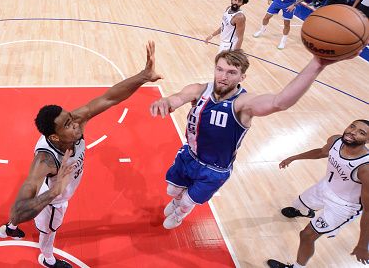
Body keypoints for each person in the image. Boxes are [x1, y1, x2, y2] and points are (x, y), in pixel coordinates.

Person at [149, 49, 359, 230]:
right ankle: (178, 201)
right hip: (189, 155)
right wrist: (166, 101)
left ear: (242, 77)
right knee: (172, 190)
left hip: (214, 169)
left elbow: (280, 102)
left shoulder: (243, 103)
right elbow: (177, 98)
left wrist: (317, 64)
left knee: (187, 201)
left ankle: (181, 212)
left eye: (232, 73)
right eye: (220, 69)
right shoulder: (199, 90)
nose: (223, 76)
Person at [0, 41, 162, 268]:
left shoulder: (76, 121)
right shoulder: (44, 160)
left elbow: (110, 97)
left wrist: (143, 76)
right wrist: (55, 191)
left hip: (53, 187)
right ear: (54, 137)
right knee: (49, 229)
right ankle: (47, 258)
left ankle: (8, 229)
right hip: (52, 199)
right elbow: (17, 210)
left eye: (70, 118)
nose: (75, 123)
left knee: (20, 220)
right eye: (67, 124)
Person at [266, 120, 369, 268]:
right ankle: (305, 212)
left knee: (306, 236)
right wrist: (293, 157)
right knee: (299, 203)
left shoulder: (365, 168)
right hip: (325, 186)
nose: (353, 132)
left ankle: (297, 267)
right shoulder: (335, 140)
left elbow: (368, 210)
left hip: (343, 206)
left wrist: (363, 245)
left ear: (367, 140)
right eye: (353, 126)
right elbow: (322, 152)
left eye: (361, 132)